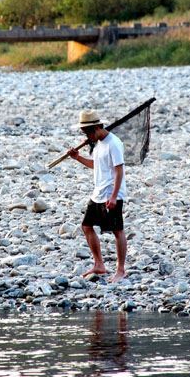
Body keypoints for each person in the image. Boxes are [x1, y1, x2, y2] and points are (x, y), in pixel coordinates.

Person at [67, 110, 128, 283]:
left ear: (97, 128)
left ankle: (121, 270)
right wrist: (77, 157)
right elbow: (96, 165)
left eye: (87, 132)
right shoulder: (98, 144)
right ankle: (99, 264)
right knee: (86, 226)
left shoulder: (113, 143)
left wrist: (114, 197)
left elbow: (119, 170)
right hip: (98, 193)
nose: (86, 136)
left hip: (111, 192)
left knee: (117, 230)